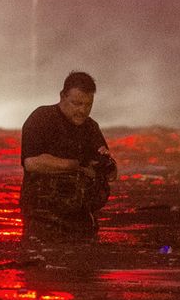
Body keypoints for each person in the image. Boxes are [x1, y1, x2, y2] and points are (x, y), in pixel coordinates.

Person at [20, 71, 118, 240]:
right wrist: (75, 165)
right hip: (43, 220)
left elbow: (110, 173)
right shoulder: (42, 118)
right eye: (76, 104)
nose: (82, 110)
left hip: (82, 220)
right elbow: (31, 162)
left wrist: (108, 165)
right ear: (62, 96)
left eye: (88, 105)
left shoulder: (91, 127)